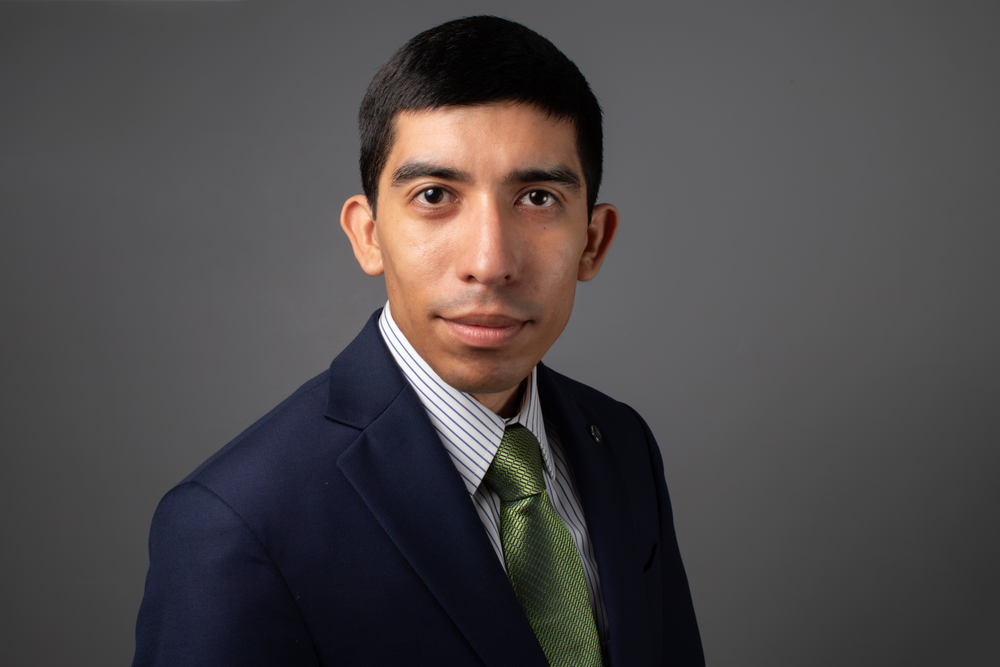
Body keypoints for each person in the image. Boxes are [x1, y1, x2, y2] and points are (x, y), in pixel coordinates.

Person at [132, 15, 704, 667]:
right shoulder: (235, 522)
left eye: (538, 197)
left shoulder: (622, 443)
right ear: (369, 234)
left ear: (593, 241)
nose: (490, 262)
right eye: (435, 194)